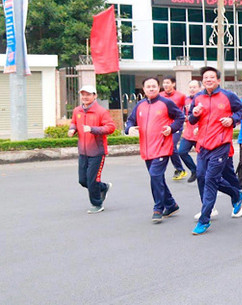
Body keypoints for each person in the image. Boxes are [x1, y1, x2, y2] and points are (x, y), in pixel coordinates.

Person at [188, 67, 242, 235]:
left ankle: (204, 220)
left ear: (218, 80)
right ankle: (236, 194)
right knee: (201, 176)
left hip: (220, 145)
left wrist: (232, 119)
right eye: (205, 77)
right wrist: (195, 113)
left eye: (212, 77)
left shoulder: (228, 96)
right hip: (203, 146)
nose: (208, 80)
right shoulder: (198, 97)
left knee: (211, 180)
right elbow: (191, 120)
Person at [125, 77, 185, 223]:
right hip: (147, 149)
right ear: (144, 89)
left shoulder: (166, 103)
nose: (151, 89)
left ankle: (158, 207)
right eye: (148, 87)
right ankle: (171, 204)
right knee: (157, 178)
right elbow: (131, 121)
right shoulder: (139, 105)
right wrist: (129, 129)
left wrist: (171, 128)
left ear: (159, 88)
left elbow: (180, 117)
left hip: (162, 146)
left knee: (155, 175)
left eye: (154, 86)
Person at [69, 85, 116, 214]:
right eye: (83, 94)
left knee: (92, 180)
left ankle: (97, 204)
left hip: (97, 152)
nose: (85, 97)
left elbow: (111, 127)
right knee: (83, 180)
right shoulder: (77, 110)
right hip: (83, 151)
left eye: (88, 94)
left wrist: (92, 129)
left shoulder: (101, 112)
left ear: (95, 96)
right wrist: (72, 129)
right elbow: (73, 122)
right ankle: (103, 187)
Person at [161, 76, 189, 181]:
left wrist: (187, 118)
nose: (165, 85)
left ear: (173, 84)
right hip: (164, 126)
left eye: (168, 83)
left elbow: (187, 108)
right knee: (165, 147)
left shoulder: (181, 96)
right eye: (164, 83)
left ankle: (180, 169)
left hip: (176, 125)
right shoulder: (160, 96)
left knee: (171, 145)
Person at [178, 80, 201, 184]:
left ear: (200, 88)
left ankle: (203, 175)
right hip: (188, 132)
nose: (192, 89)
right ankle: (194, 170)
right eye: (190, 87)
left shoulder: (202, 100)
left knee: (202, 156)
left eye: (194, 87)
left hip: (200, 133)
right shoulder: (186, 100)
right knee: (181, 152)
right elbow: (182, 114)